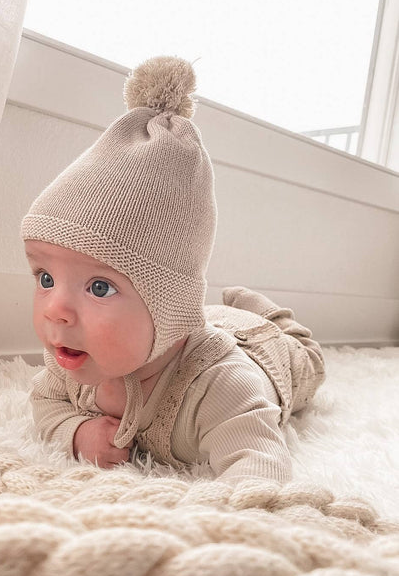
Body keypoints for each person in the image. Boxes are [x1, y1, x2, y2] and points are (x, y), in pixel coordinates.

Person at [20, 55, 325, 485]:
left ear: (169, 307)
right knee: (219, 317)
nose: (56, 309)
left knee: (306, 358)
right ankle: (236, 306)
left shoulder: (222, 388)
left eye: (100, 286)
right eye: (45, 279)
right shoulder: (72, 363)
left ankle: (271, 316)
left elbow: (257, 464)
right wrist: (78, 431)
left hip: (261, 349)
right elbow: (45, 404)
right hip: (199, 321)